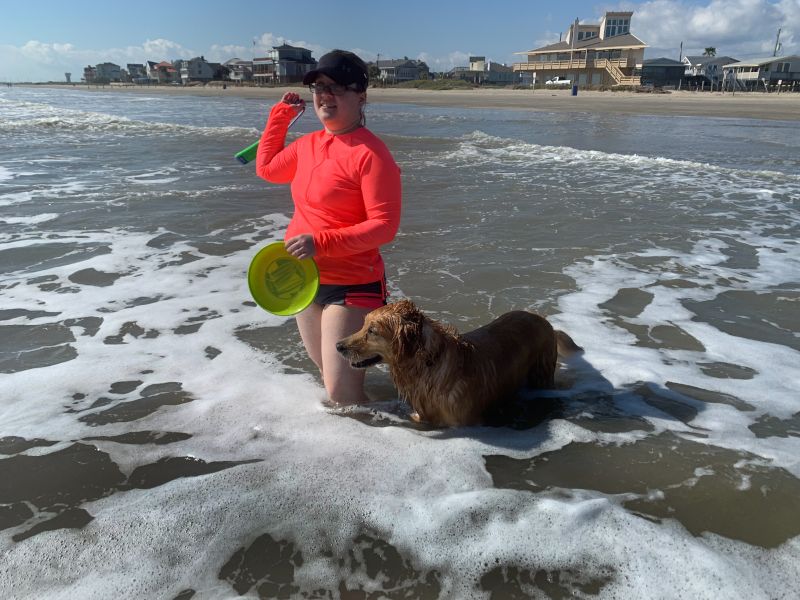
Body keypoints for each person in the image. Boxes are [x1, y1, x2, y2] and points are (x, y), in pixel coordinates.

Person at [255, 50, 402, 405]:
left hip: (352, 286)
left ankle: (398, 452)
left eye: (336, 87)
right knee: (330, 380)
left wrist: (321, 243)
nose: (325, 96)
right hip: (305, 281)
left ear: (361, 96)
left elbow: (384, 227)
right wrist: (280, 116)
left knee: (340, 394)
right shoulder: (308, 146)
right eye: (319, 87)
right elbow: (267, 169)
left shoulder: (372, 154)